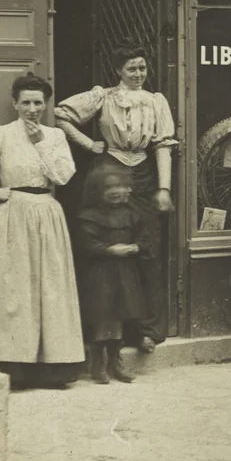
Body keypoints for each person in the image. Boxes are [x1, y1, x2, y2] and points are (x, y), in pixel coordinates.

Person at [0, 73, 84, 389]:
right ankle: (15, 367)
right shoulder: (1, 134)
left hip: (46, 214)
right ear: (15, 103)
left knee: (49, 287)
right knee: (14, 288)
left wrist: (40, 142)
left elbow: (63, 176)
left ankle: (53, 368)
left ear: (46, 104)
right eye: (25, 102)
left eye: (38, 102)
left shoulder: (55, 136)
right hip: (10, 215)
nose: (32, 109)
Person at [56, 45, 178, 355]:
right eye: (132, 69)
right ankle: (106, 333)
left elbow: (163, 145)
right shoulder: (103, 97)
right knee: (105, 253)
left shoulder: (155, 101)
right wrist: (88, 143)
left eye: (142, 68)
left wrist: (163, 189)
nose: (138, 74)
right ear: (118, 71)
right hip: (107, 172)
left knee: (147, 250)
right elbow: (61, 114)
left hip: (144, 174)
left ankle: (148, 330)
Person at [75, 163, 149, 384]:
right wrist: (109, 249)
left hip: (125, 273)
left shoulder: (132, 215)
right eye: (111, 188)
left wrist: (137, 246)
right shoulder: (89, 216)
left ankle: (114, 362)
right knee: (102, 316)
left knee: (118, 316)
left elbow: (145, 238)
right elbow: (86, 245)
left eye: (123, 186)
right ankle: (98, 363)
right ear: (98, 191)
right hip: (100, 274)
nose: (118, 192)